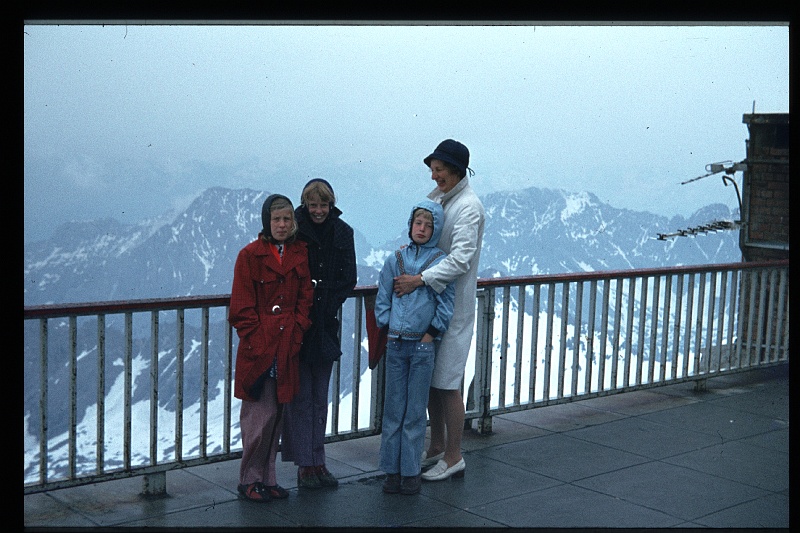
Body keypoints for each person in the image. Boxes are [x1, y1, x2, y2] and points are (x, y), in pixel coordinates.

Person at [393, 139, 485, 482]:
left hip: (453, 306)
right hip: (432, 305)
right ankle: (437, 448)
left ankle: (454, 455)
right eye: (432, 170)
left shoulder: (469, 207)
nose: (434, 176)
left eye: (440, 170)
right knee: (432, 380)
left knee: (448, 383)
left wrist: (419, 279)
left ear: (457, 170)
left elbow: (461, 259)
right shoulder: (440, 200)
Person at [229, 194, 314, 503]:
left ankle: (268, 478)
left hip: (287, 347)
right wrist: (257, 339)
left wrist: (299, 325)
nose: (282, 224)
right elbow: (240, 309)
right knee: (258, 419)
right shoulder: (250, 255)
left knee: (276, 417)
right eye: (277, 219)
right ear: (267, 222)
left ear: (293, 223)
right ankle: (249, 480)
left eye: (287, 219)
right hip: (260, 351)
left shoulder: (298, 254)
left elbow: (306, 297)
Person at [375, 200, 456, 496]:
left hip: (422, 346)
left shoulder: (440, 263)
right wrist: (387, 323)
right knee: (394, 409)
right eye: (417, 223)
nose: (422, 229)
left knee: (413, 413)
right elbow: (383, 294)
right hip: (396, 343)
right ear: (410, 225)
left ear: (435, 230)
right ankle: (391, 471)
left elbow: (446, 302)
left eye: (428, 225)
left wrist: (431, 333)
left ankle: (410, 471)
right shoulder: (395, 260)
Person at [281, 179, 357, 489]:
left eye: (323, 204)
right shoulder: (294, 229)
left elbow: (348, 277)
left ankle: (317, 462)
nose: (318, 210)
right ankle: (305, 465)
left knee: (318, 398)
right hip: (300, 324)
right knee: (302, 398)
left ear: (331, 204)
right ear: (305, 204)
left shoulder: (343, 232)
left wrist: (328, 304)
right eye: (313, 205)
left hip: (325, 326)